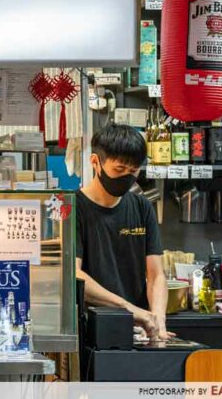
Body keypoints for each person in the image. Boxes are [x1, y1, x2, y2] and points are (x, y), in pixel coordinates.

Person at [76, 123, 171, 340]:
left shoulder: (142, 207)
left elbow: (156, 275)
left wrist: (158, 320)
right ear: (95, 162)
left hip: (138, 330)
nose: (127, 177)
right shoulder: (73, 208)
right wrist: (128, 308)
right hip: (93, 329)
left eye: (133, 171)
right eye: (119, 170)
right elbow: (75, 274)